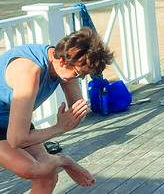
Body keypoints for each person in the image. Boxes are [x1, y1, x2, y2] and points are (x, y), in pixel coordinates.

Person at [0, 28, 114, 192]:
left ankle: (59, 161)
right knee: (28, 169)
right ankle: (63, 160)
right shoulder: (29, 74)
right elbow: (16, 140)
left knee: (48, 176)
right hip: (10, 126)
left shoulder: (62, 62)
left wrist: (75, 114)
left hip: (10, 118)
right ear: (62, 62)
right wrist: (60, 128)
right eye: (78, 74)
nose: (78, 79)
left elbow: (76, 110)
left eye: (83, 75)